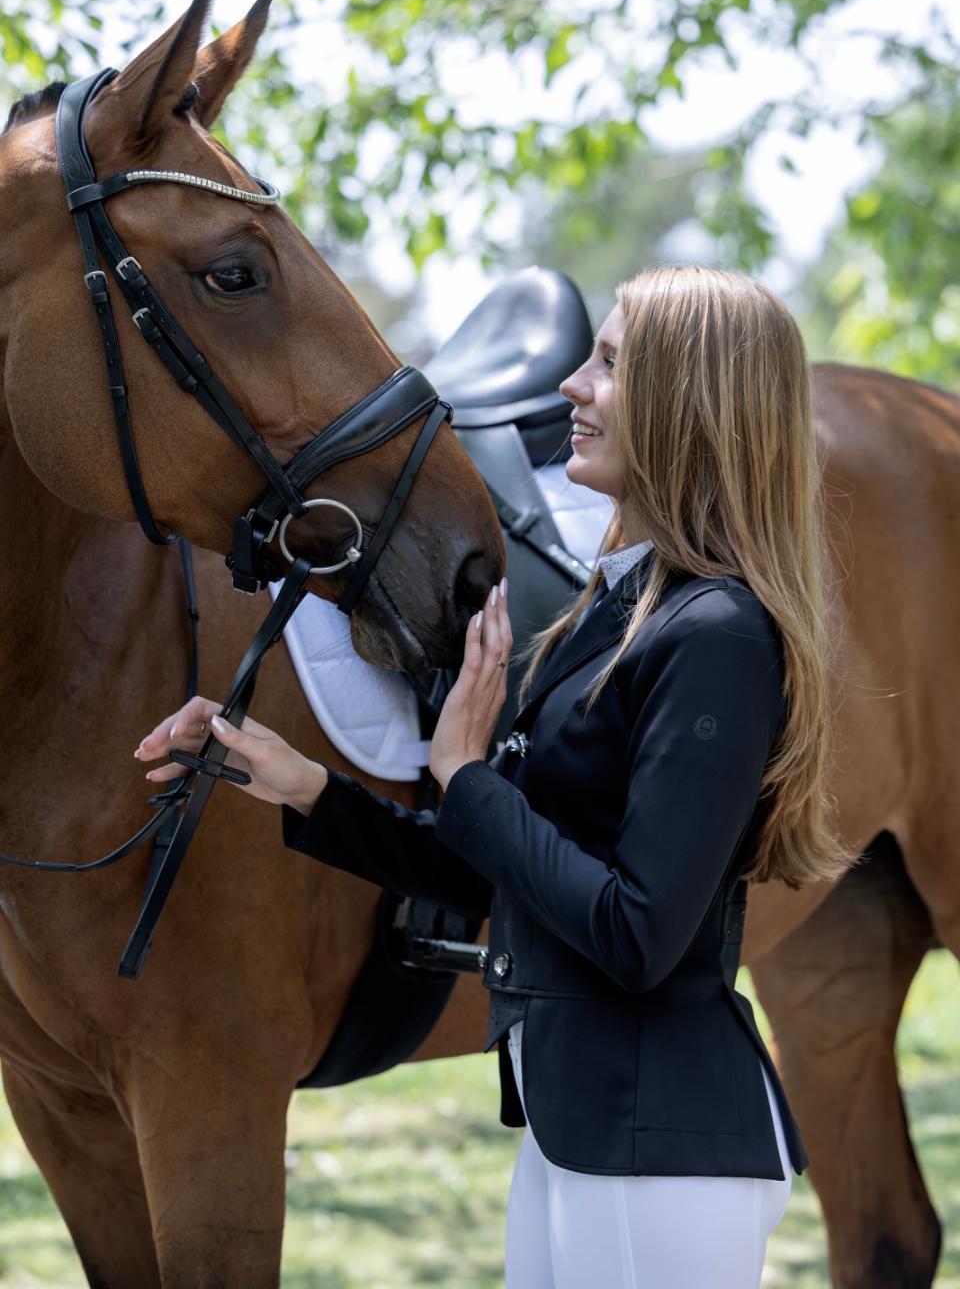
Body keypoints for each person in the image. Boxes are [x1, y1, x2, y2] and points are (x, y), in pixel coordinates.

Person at [136, 264, 858, 1287]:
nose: (571, 385)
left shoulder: (719, 636)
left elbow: (638, 933)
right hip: (582, 1132)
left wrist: (467, 777)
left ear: (691, 401)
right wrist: (300, 784)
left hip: (657, 1149)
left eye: (608, 364)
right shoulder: (617, 615)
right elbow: (503, 878)